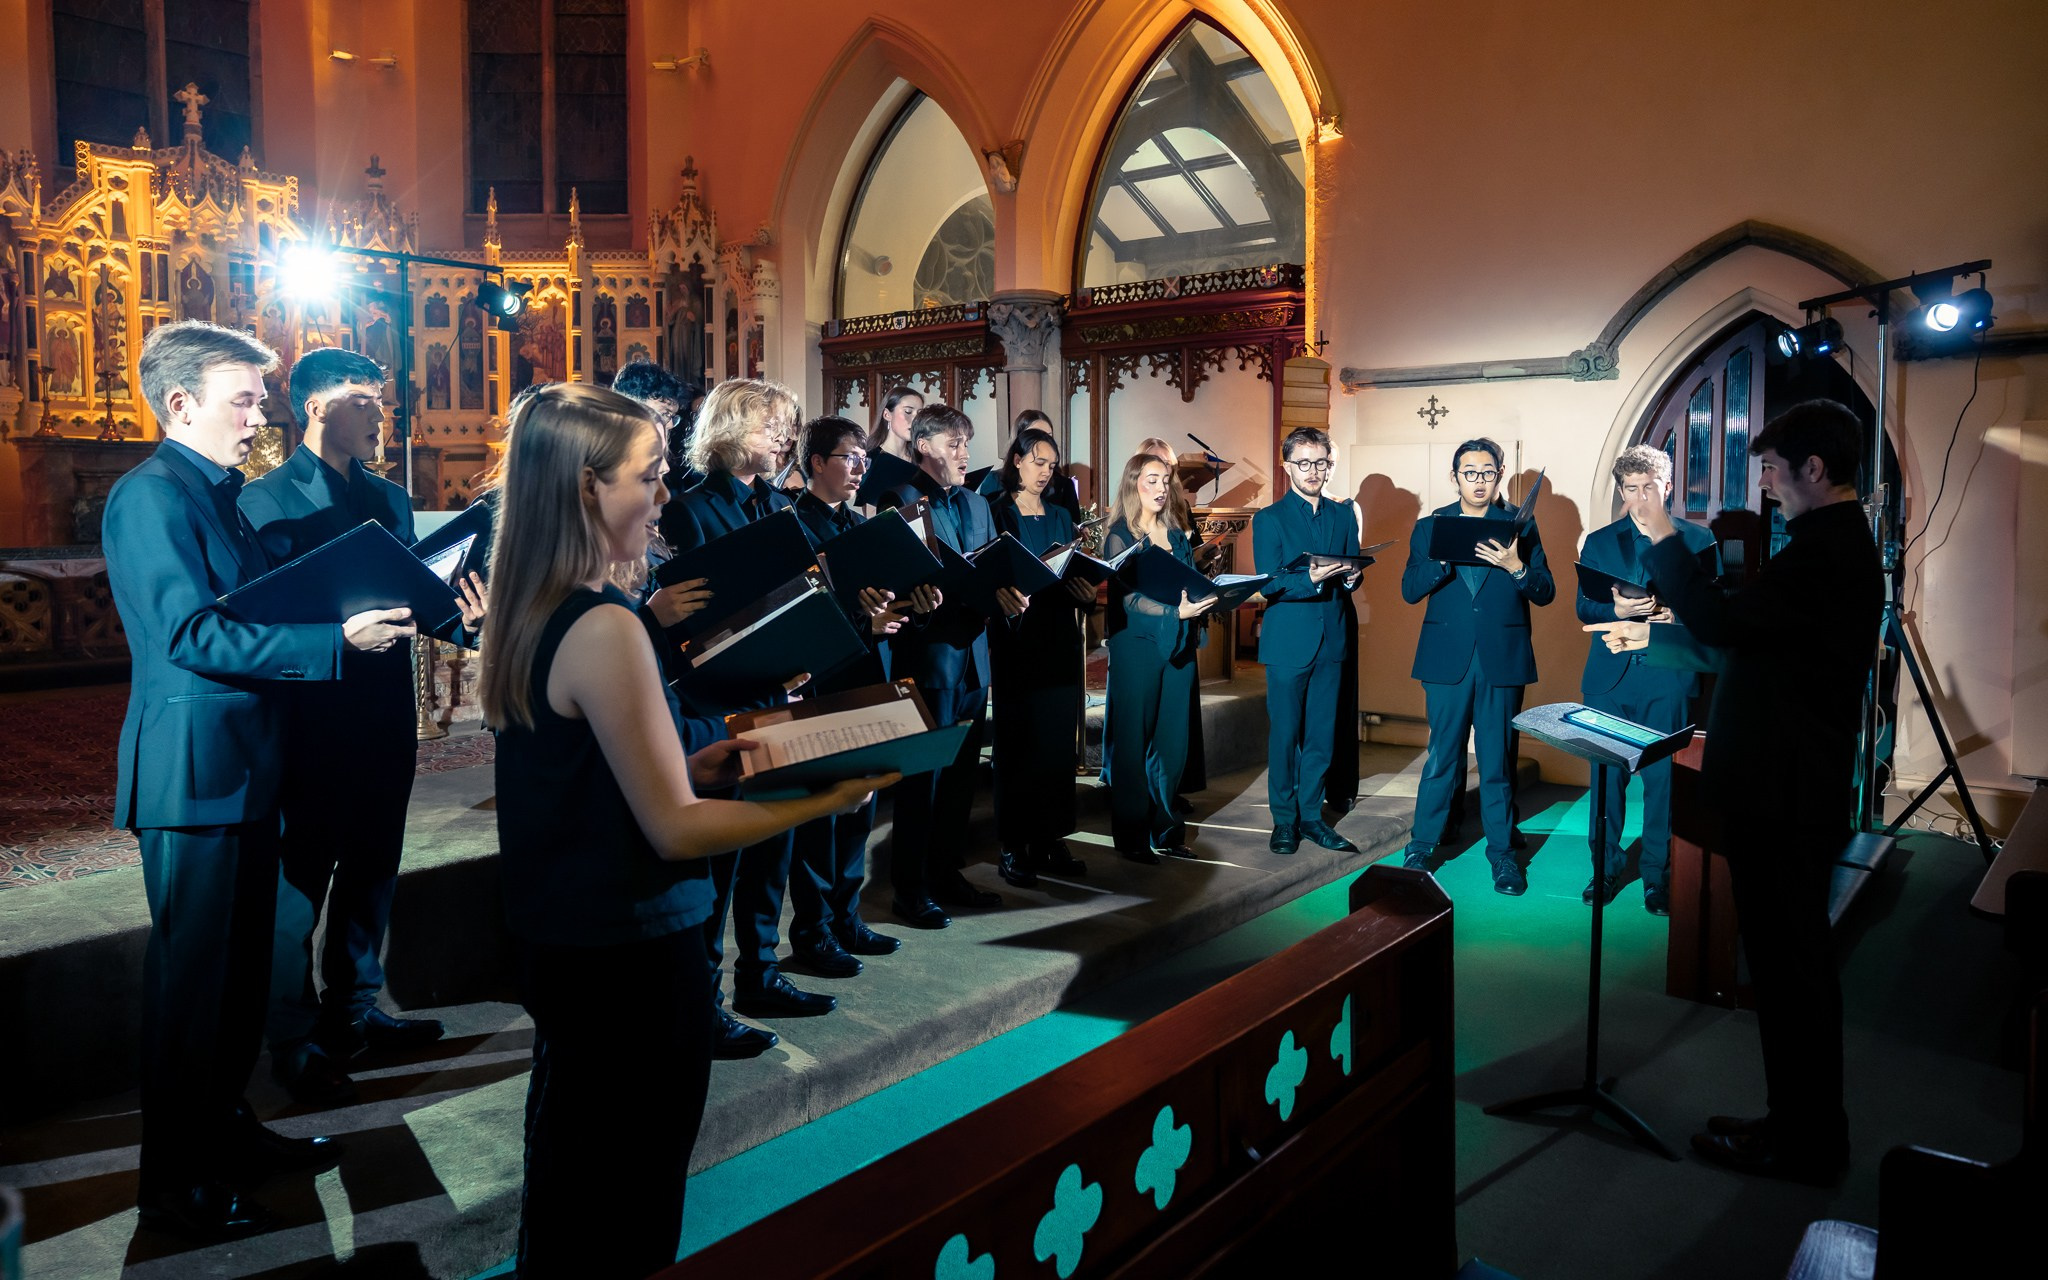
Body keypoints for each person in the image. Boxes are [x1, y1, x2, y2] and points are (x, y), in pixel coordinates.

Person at [480, 382, 886, 1277]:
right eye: (649, 477)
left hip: (570, 942)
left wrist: (725, 762)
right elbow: (672, 827)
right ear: (588, 488)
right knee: (625, 1205)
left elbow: (608, 775)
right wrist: (824, 797)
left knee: (571, 1181)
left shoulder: (535, 606)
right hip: (630, 948)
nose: (666, 496)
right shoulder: (607, 623)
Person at [103, 321, 415, 1240]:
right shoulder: (152, 496)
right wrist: (334, 641)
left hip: (246, 767)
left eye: (259, 398)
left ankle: (230, 1133)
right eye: (241, 400)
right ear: (181, 404)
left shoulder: (219, 495)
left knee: (237, 987)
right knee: (191, 993)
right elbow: (189, 636)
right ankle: (173, 1189)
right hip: (195, 778)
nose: (258, 417)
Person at [1589, 399, 1878, 1183]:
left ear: (1815, 470)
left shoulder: (1826, 550)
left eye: (1777, 474)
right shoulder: (1831, 543)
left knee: (1791, 976)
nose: (1771, 489)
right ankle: (1795, 1125)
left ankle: (1807, 1143)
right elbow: (1755, 641)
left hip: (1784, 794)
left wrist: (1658, 538)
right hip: (1791, 785)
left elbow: (1723, 621)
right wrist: (1663, 639)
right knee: (1788, 974)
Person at [238, 348, 486, 1106]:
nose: (382, 412)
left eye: (382, 399)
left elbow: (411, 599)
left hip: (383, 705)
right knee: (299, 885)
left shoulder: (389, 497)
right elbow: (259, 613)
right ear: (315, 406)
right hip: (310, 713)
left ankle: (354, 1012)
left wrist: (461, 617)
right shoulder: (265, 500)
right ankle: (291, 1037)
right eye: (364, 399)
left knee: (375, 869)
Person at [659, 378, 839, 1033]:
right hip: (722, 695)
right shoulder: (692, 509)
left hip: (781, 686)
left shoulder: (780, 507)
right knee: (725, 856)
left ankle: (760, 975)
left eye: (787, 427)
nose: (784, 438)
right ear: (731, 429)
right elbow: (688, 620)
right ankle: (702, 1000)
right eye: (772, 427)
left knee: (774, 842)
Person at [875, 403, 1028, 923]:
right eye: (953, 443)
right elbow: (895, 580)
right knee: (925, 779)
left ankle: (946, 871)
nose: (965, 453)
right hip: (931, 654)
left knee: (962, 776)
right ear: (923, 446)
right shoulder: (898, 499)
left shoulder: (977, 502)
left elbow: (987, 566)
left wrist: (1008, 592)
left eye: (967, 443)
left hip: (974, 657)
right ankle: (910, 887)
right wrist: (917, 599)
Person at [785, 415, 916, 973]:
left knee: (861, 804)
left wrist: (908, 604)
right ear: (817, 463)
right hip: (824, 680)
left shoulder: (862, 522)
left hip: (871, 669)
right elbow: (803, 613)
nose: (861, 467)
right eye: (849, 457)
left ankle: (847, 918)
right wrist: (868, 623)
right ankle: (813, 933)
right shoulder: (795, 526)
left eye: (864, 458)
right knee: (824, 811)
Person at [1400, 437, 1554, 893]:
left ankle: (1503, 854)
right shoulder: (1432, 527)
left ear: (1500, 474)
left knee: (1497, 762)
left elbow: (1545, 591)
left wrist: (1516, 567)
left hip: (1501, 659)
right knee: (1441, 757)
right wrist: (1443, 559)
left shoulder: (1519, 527)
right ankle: (1421, 845)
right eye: (1470, 472)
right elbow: (1410, 590)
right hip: (1447, 659)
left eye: (1488, 472)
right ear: (1454, 477)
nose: (1479, 481)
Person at [1574, 444, 1720, 914]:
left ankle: (1657, 874)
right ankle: (1604, 868)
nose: (1641, 500)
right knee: (1607, 779)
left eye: (1650, 489)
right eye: (1631, 490)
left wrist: (1668, 611)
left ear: (1668, 487)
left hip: (1668, 677)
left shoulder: (1699, 543)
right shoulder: (1598, 542)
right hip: (1609, 677)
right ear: (1621, 491)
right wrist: (1614, 609)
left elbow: (1712, 618)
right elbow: (1583, 607)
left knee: (1664, 784)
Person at [988, 425, 1096, 885]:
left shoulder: (1058, 515)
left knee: (1055, 745)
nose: (1045, 471)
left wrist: (1086, 590)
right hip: (1017, 638)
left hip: (1057, 635)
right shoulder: (996, 513)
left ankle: (1051, 838)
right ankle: (1013, 845)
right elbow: (990, 572)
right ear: (1017, 460)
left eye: (1051, 465)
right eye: (1037, 461)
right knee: (1017, 744)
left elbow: (1073, 575)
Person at [1102, 452, 1218, 861]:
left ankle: (1167, 831)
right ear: (1134, 482)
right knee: (1133, 742)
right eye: (1152, 479)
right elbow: (1130, 600)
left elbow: (1189, 584)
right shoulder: (1120, 535)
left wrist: (1213, 595)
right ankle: (1132, 837)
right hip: (1137, 644)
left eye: (1165, 480)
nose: (1160, 488)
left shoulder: (1178, 534)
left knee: (1172, 743)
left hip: (1178, 642)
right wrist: (1175, 612)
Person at [1253, 426, 1363, 856]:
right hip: (1287, 642)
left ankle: (1312, 816)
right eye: (1304, 463)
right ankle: (1284, 820)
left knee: (1321, 735)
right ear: (1286, 467)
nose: (1314, 471)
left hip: (1332, 638)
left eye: (1321, 463)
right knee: (1285, 735)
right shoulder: (1269, 518)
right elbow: (1271, 581)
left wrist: (1354, 576)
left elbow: (1353, 564)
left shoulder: (1341, 515)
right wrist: (1311, 578)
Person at [854, 384, 923, 509]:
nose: (915, 420)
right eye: (908, 412)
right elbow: (868, 513)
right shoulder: (869, 459)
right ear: (887, 414)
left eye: (919, 414)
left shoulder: (922, 460)